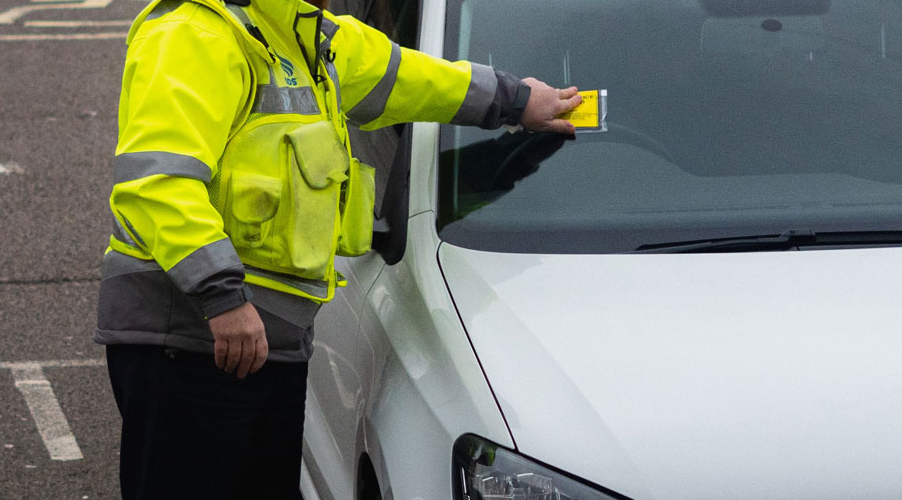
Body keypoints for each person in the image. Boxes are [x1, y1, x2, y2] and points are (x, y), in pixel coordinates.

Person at [94, 0, 581, 497]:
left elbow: (412, 78)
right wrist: (222, 297)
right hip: (196, 341)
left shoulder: (306, 33)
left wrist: (517, 101)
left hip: (267, 346)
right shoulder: (193, 33)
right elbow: (157, 184)